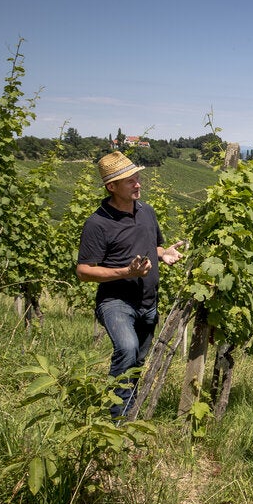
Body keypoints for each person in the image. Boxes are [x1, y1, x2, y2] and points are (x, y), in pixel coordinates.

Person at [76, 151, 184, 420]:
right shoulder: (98, 223)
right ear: (111, 187)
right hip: (116, 303)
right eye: (129, 181)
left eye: (137, 178)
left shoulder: (146, 211)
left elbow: (153, 245)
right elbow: (84, 271)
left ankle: (126, 410)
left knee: (136, 362)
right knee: (126, 350)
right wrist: (126, 271)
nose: (138, 184)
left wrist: (164, 253)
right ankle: (117, 423)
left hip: (148, 302)